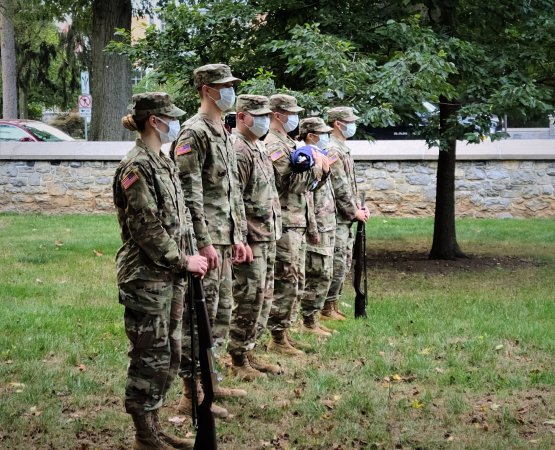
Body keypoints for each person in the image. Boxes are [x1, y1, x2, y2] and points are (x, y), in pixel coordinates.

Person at [113, 92, 208, 450]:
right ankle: (143, 434)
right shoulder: (136, 167)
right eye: (170, 117)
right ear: (155, 120)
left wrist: (190, 254)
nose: (175, 123)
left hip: (169, 276)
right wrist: (183, 260)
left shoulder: (163, 162)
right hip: (147, 279)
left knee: (168, 354)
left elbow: (177, 221)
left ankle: (152, 424)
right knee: (148, 356)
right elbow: (147, 227)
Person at [170, 64, 248, 418]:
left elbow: (232, 193)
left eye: (231, 85)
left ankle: (211, 383)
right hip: (207, 243)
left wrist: (240, 237)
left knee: (220, 315)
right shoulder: (193, 133)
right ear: (206, 89)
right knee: (198, 318)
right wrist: (203, 242)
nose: (229, 91)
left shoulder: (223, 130)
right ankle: (192, 396)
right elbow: (189, 194)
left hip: (225, 240)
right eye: (223, 86)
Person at [264, 94, 329, 355]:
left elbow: (308, 189)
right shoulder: (274, 145)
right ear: (278, 115)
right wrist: (317, 169)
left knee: (296, 280)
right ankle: (277, 337)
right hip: (286, 223)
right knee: (287, 279)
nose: (295, 118)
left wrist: (321, 171)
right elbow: (289, 184)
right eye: (291, 113)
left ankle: (285, 333)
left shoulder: (288, 143)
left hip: (297, 222)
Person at [228, 94, 283, 380]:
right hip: (251, 238)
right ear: (241, 117)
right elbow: (233, 197)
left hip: (267, 234)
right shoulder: (238, 149)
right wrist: (241, 238)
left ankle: (249, 349)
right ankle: (237, 358)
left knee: (264, 297)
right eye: (258, 115)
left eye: (266, 115)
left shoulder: (258, 147)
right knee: (249, 297)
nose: (264, 120)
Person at [323, 106, 369, 320]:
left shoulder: (342, 148)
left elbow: (350, 186)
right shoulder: (333, 149)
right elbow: (339, 185)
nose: (353, 125)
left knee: (344, 260)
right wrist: (353, 212)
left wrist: (359, 207)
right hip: (339, 217)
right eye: (349, 122)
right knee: (337, 260)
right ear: (337, 124)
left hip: (347, 217)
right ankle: (327, 306)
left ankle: (333, 304)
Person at [296, 118, 337, 337]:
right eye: (323, 133)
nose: (326, 138)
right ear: (311, 135)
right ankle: (309, 320)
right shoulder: (305, 157)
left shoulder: (318, 154)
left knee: (324, 273)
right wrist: (312, 228)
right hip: (316, 225)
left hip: (325, 222)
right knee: (316, 273)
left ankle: (315, 317)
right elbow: (307, 195)